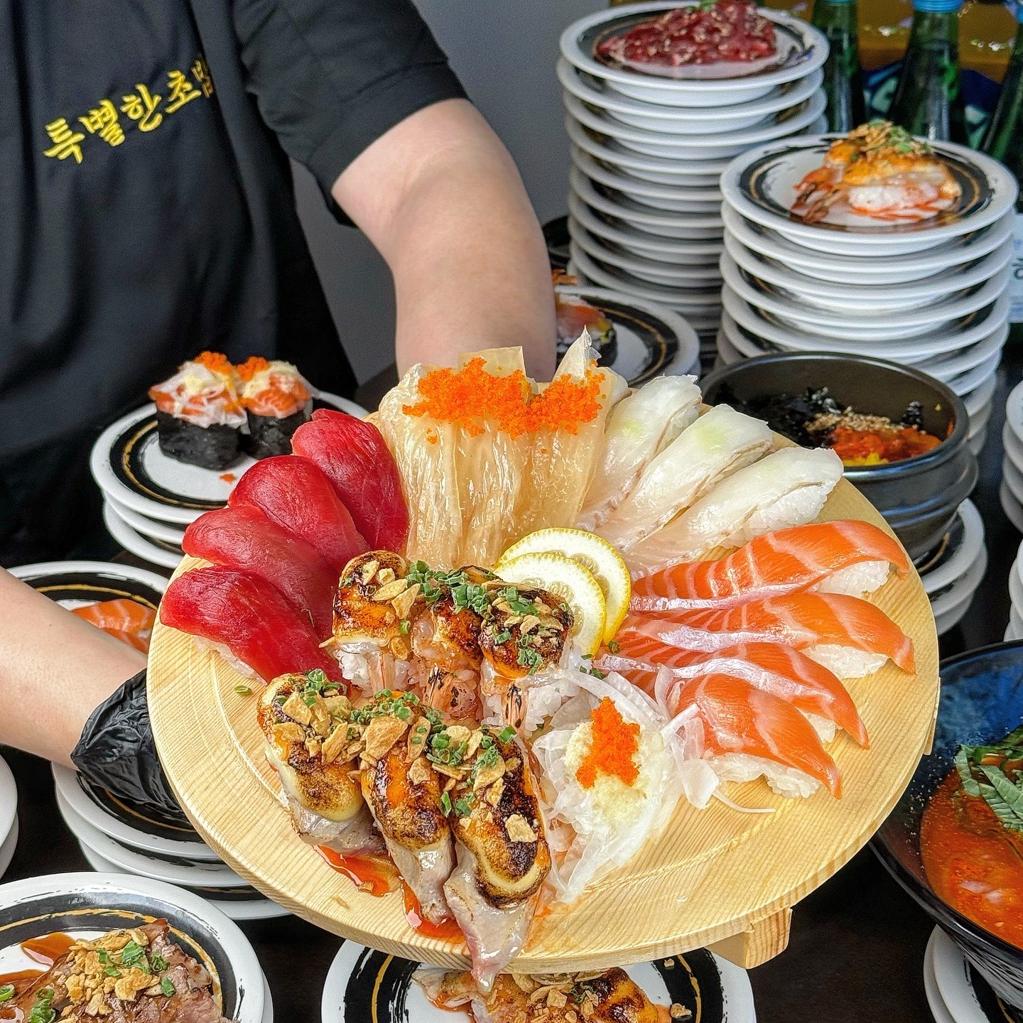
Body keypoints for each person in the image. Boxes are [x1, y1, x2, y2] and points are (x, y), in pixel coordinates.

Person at [0, 0, 556, 781]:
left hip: (334, 534)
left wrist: (466, 470)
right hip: (34, 652)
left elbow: (427, 169)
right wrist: (157, 739)